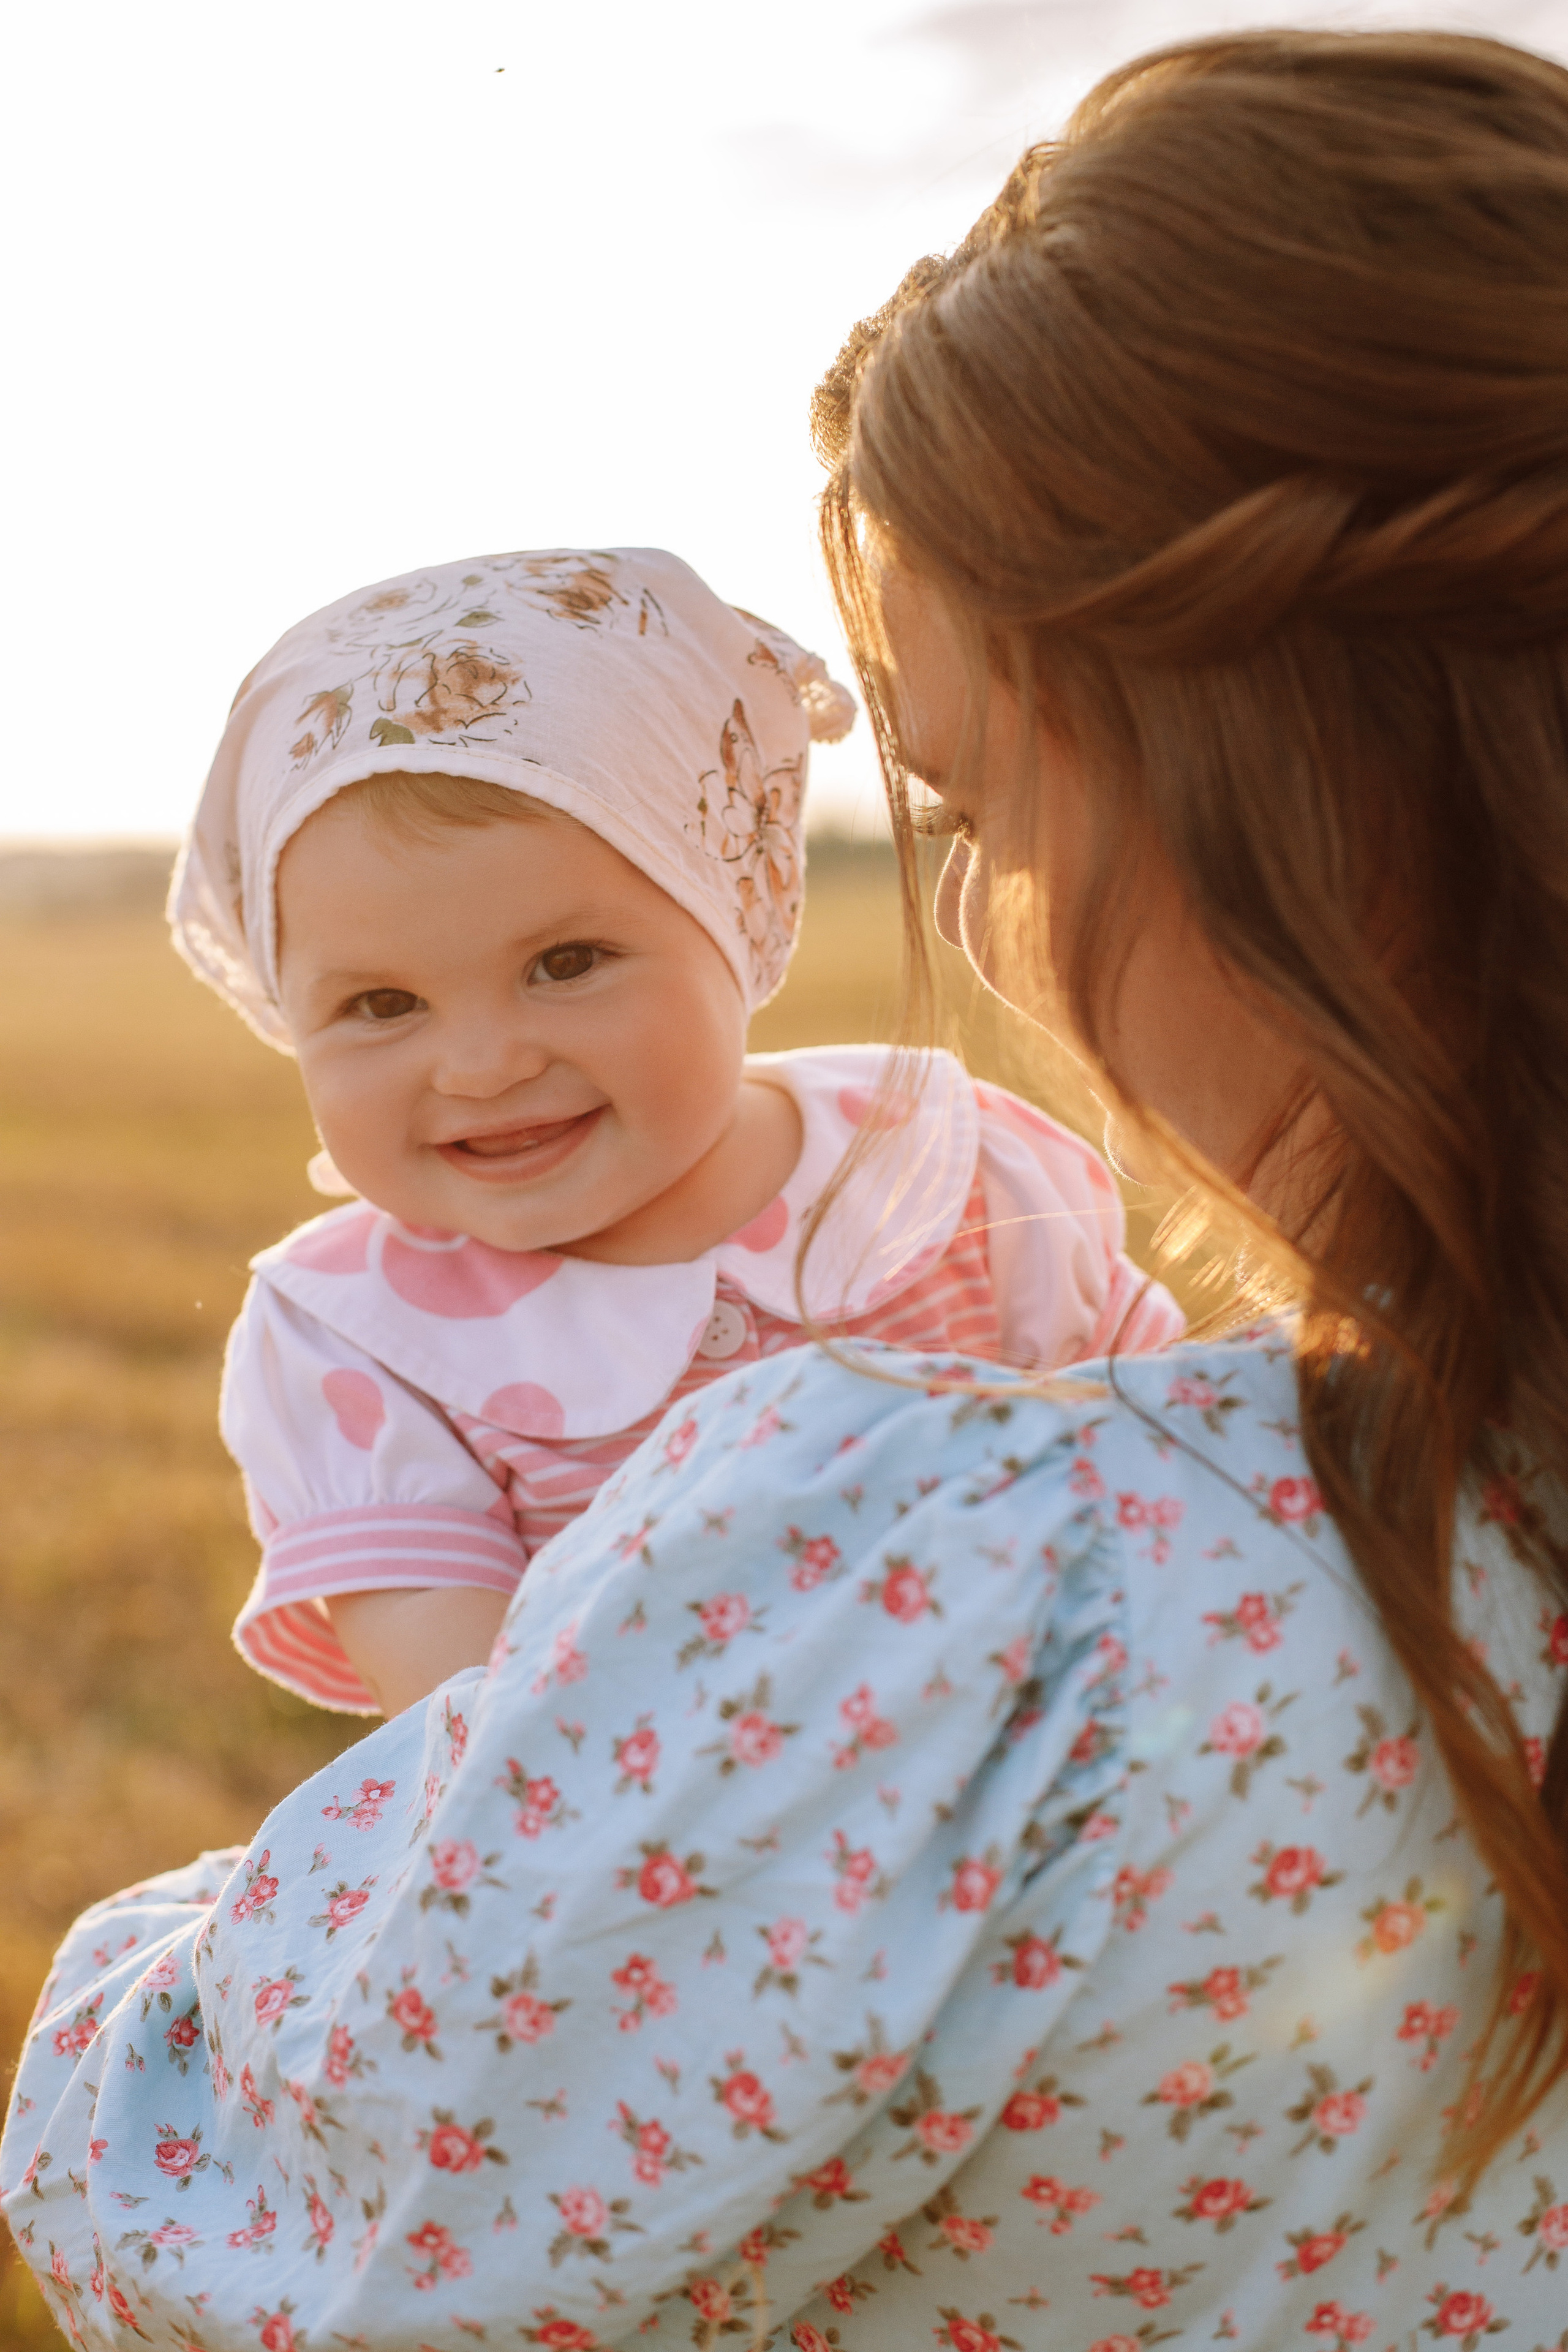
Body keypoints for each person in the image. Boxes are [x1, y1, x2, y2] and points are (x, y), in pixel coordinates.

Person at [6, 24, 1568, 2348]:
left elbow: (235, 2183)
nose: (996, 929)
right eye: (380, 1004)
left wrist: (144, 1958)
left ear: (1302, 786)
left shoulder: (919, 1588)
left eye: (983, 802)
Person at [168, 546, 1177, 1717]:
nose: (484, 1064)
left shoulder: (941, 1174)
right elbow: (495, 1749)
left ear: (739, 912)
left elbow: (1177, 1487)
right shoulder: (363, 1344)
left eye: (566, 963)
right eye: (382, 1004)